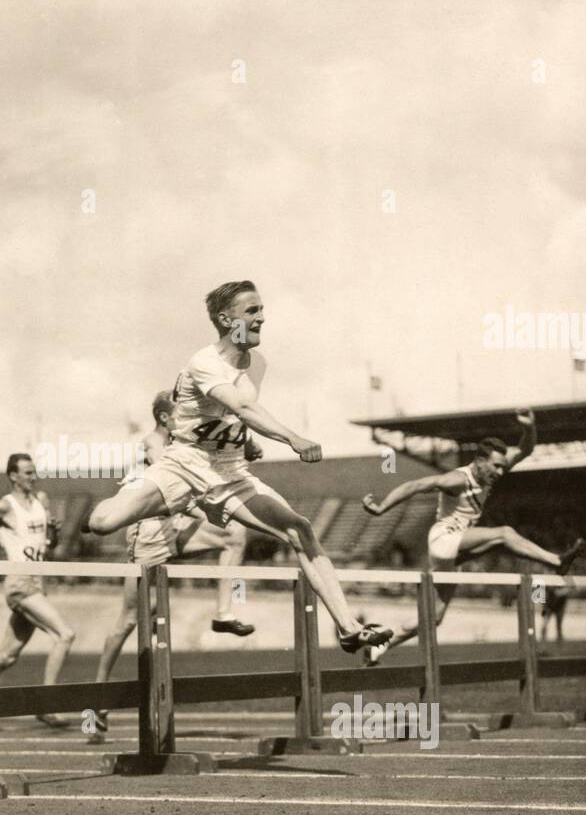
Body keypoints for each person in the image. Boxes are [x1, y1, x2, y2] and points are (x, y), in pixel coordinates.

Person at [84, 280, 391, 656]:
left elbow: (233, 412)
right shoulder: (204, 362)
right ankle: (151, 499)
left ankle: (348, 628)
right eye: (252, 311)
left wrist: (244, 441)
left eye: (262, 310)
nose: (262, 318)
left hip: (228, 473)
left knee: (300, 529)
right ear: (226, 320)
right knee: (101, 524)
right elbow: (242, 407)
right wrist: (293, 438)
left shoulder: (258, 362)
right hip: (182, 464)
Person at [88, 390, 258, 743]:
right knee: (130, 620)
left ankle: (223, 612)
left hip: (175, 525)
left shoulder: (185, 446)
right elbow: (164, 472)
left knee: (234, 535)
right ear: (166, 418)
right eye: (180, 414)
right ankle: (97, 700)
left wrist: (243, 453)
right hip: (147, 530)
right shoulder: (154, 441)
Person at [359, 409, 584, 665]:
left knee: (434, 617)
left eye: (502, 466)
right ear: (479, 462)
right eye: (495, 467)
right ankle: (556, 562)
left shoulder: (492, 470)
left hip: (455, 551)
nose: (500, 472)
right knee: (504, 534)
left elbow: (525, 450)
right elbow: (416, 486)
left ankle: (378, 646)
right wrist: (381, 508)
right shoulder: (457, 480)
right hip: (443, 539)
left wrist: (529, 428)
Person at [0, 453, 76, 727]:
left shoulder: (41, 501)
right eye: (27, 473)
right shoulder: (3, 506)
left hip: (38, 584)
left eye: (34, 472)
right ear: (13, 475)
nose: (33, 477)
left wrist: (54, 532)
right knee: (65, 635)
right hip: (20, 584)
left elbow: (49, 545)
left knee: (6, 656)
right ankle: (47, 704)